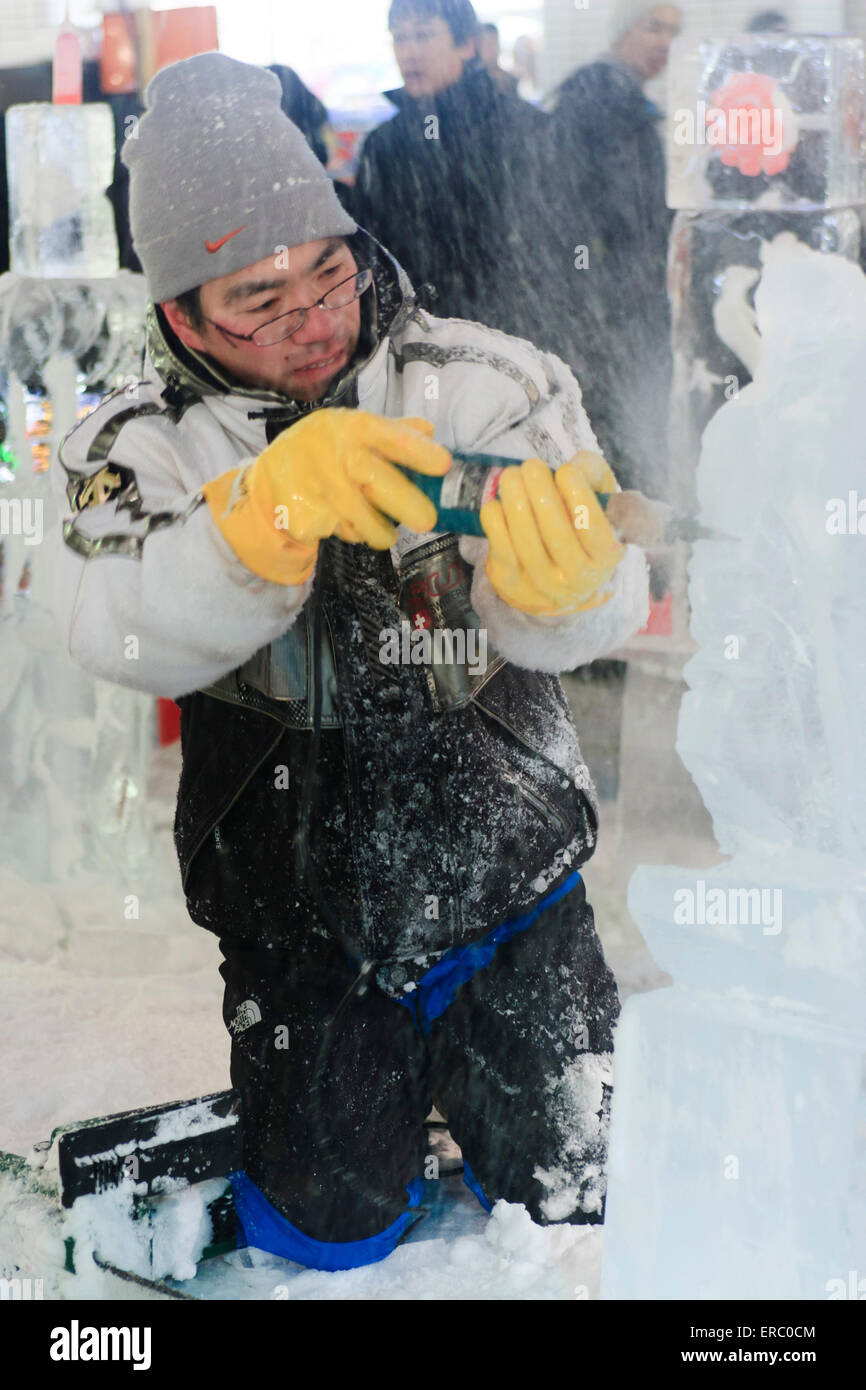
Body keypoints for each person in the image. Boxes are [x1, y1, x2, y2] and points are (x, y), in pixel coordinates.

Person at [52, 53, 649, 1271]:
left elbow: (604, 585)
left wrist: (572, 595)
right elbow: (99, 618)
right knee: (330, 1234)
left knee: (586, 1191)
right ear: (178, 312)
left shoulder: (483, 377)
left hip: (510, 877)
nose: (314, 318)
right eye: (257, 303)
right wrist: (251, 524)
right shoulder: (133, 444)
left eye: (326, 272)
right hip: (296, 908)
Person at [351, 0, 554, 342]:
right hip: (415, 347)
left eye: (424, 35)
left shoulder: (523, 129)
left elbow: (549, 247)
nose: (409, 52)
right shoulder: (383, 145)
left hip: (513, 341)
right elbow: (372, 256)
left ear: (466, 45)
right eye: (400, 38)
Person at [546, 2, 683, 499]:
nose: (664, 41)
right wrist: (596, 305)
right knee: (617, 453)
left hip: (631, 308)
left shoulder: (631, 100)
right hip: (609, 314)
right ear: (623, 27)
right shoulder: (596, 94)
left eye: (673, 31)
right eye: (654, 27)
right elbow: (579, 213)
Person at [478, 21, 519, 97]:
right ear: (478, 46)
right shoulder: (473, 82)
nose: (491, 49)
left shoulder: (510, 80)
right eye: (487, 44)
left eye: (494, 43)